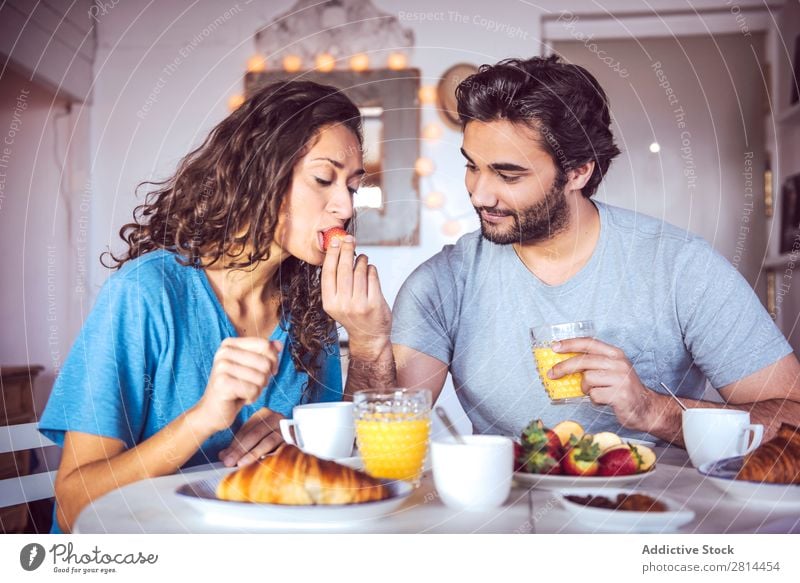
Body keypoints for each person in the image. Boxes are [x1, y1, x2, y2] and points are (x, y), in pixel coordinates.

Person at [387, 55, 800, 444]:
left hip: (653, 513)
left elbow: (793, 419)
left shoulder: (681, 268)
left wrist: (653, 410)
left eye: (507, 175)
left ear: (578, 171)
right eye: (471, 166)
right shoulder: (440, 284)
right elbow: (383, 429)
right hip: (507, 515)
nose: (479, 194)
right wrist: (369, 340)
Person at [38, 81, 391, 533]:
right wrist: (204, 419)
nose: (344, 205)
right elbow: (72, 507)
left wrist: (366, 344)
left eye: (352, 186)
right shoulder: (146, 293)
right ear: (260, 172)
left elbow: (351, 468)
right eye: (324, 179)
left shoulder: (309, 312)